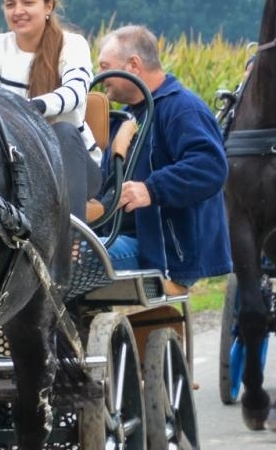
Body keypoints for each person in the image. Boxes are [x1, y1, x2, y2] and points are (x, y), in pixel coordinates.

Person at [92, 25, 231, 292]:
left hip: (164, 252)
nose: (100, 75)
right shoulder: (124, 117)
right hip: (122, 239)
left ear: (133, 65)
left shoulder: (182, 108)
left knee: (71, 260)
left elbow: (210, 167)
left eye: (105, 66)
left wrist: (151, 189)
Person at [0, 0, 100, 173]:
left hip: (72, 162)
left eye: (28, 3)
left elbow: (75, 92)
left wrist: (29, 108)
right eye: (10, 5)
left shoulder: (72, 44)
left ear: (48, 6)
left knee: (64, 131)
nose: (18, 11)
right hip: (13, 160)